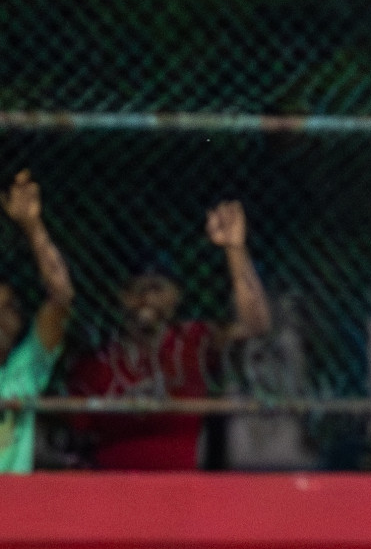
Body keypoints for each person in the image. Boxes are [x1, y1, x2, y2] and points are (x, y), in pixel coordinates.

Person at [69, 200, 271, 469]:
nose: (147, 298)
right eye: (137, 289)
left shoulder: (193, 341)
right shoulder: (96, 363)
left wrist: (235, 249)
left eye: (157, 288)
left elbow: (255, 324)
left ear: (176, 296)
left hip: (179, 487)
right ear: (122, 297)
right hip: (112, 487)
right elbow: (76, 439)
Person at [0, 170, 74, 473]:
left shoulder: (25, 367)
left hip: (15, 499)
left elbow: (61, 297)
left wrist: (32, 226)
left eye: (8, 308)